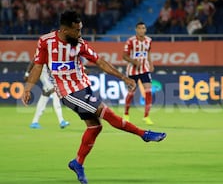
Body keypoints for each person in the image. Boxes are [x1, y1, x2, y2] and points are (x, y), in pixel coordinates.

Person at [22, 10, 166, 184]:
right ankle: (144, 134)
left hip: (84, 88)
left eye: (81, 29)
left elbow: (100, 62)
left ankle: (77, 163)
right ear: (65, 30)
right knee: (106, 112)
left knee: (95, 127)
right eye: (77, 30)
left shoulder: (80, 44)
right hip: (68, 92)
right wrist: (28, 88)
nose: (80, 33)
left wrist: (123, 77)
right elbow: (37, 66)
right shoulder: (46, 42)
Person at [123, 22, 155, 125]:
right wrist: (133, 61)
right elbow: (124, 56)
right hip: (132, 70)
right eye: (140, 28)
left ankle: (146, 116)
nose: (142, 30)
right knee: (131, 93)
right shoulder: (130, 41)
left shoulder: (149, 40)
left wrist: (151, 64)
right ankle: (126, 114)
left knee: (149, 91)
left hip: (144, 69)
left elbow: (148, 52)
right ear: (136, 29)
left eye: (143, 28)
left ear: (145, 30)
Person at [24, 60, 70, 129]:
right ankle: (61, 121)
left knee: (43, 99)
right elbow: (33, 61)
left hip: (48, 77)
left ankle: (34, 122)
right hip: (44, 76)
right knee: (56, 93)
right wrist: (27, 74)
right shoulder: (43, 52)